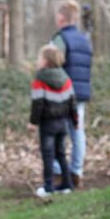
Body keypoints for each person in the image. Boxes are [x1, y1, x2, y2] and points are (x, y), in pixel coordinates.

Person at [50, 0, 92, 188]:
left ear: (61, 17)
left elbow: (52, 65)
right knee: (77, 133)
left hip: (62, 93)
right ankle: (77, 172)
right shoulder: (85, 40)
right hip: (80, 94)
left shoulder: (60, 39)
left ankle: (58, 173)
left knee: (56, 132)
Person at [29, 44, 77, 199]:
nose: (37, 61)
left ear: (46, 61)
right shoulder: (66, 78)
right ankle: (67, 184)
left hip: (48, 124)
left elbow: (38, 103)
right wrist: (75, 121)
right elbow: (72, 102)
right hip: (63, 122)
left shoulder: (40, 79)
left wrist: (33, 122)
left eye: (39, 58)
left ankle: (48, 186)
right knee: (61, 154)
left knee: (48, 155)